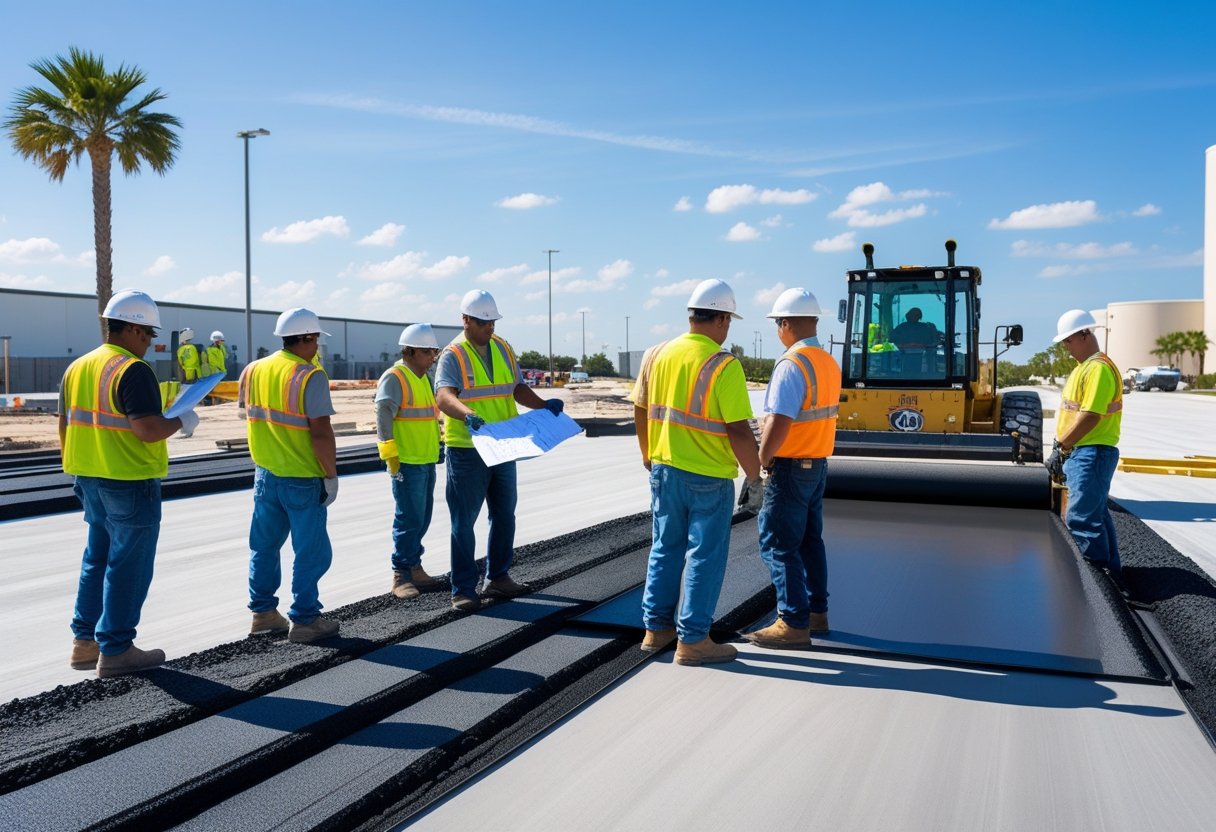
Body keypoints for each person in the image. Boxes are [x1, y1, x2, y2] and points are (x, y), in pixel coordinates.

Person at [59, 289, 200, 678]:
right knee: (127, 565)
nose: (151, 341)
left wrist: (77, 465)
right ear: (135, 329)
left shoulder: (79, 367)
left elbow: (65, 425)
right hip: (129, 479)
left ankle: (84, 642)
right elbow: (149, 429)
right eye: (149, 333)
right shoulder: (132, 369)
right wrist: (181, 422)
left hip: (88, 476)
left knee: (97, 558)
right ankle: (117, 648)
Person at [630, 278, 762, 665]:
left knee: (664, 548)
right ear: (722, 319)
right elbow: (738, 429)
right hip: (708, 476)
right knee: (704, 555)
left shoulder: (655, 354)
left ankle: (656, 630)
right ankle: (694, 640)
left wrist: (647, 453)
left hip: (664, 468)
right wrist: (755, 477)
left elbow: (640, 407)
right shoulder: (723, 364)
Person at [435, 289, 563, 613]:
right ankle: (463, 588)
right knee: (464, 522)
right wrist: (467, 414)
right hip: (468, 449)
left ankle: (498, 576)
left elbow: (517, 388)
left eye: (492, 322)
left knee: (505, 514)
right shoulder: (453, 354)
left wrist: (544, 404)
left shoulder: (503, 347)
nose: (489, 328)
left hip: (504, 444)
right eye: (482, 322)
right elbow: (443, 396)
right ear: (465, 320)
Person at [745, 288, 841, 650]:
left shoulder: (792, 364)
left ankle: (793, 623)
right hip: (816, 465)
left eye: (777, 324)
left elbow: (781, 420)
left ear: (785, 324)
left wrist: (762, 460)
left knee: (778, 545)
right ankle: (817, 613)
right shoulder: (827, 362)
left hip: (790, 466)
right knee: (810, 542)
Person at [238, 307, 341, 642]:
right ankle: (305, 618)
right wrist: (330, 474)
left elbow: (251, 416)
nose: (317, 348)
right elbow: (321, 433)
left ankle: (264, 613)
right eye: (316, 341)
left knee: (264, 546)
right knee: (311, 550)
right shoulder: (309, 375)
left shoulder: (253, 370)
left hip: (266, 475)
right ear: (309, 338)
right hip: (301, 477)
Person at [1046, 309, 1123, 581]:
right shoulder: (1085, 368)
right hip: (1087, 451)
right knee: (1097, 514)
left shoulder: (1098, 369)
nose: (1066, 347)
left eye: (1068, 340)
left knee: (1081, 519)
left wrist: (1062, 446)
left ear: (1085, 334)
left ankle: (1092, 581)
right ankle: (1110, 574)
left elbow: (1090, 415)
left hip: (1091, 452)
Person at [375, 323, 443, 600]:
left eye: (434, 352)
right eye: (428, 352)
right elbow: (383, 414)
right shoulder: (395, 377)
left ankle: (414, 566)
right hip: (406, 461)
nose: (432, 358)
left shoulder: (423, 378)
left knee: (422, 515)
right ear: (411, 351)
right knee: (408, 517)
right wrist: (390, 454)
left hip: (426, 457)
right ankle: (401, 573)